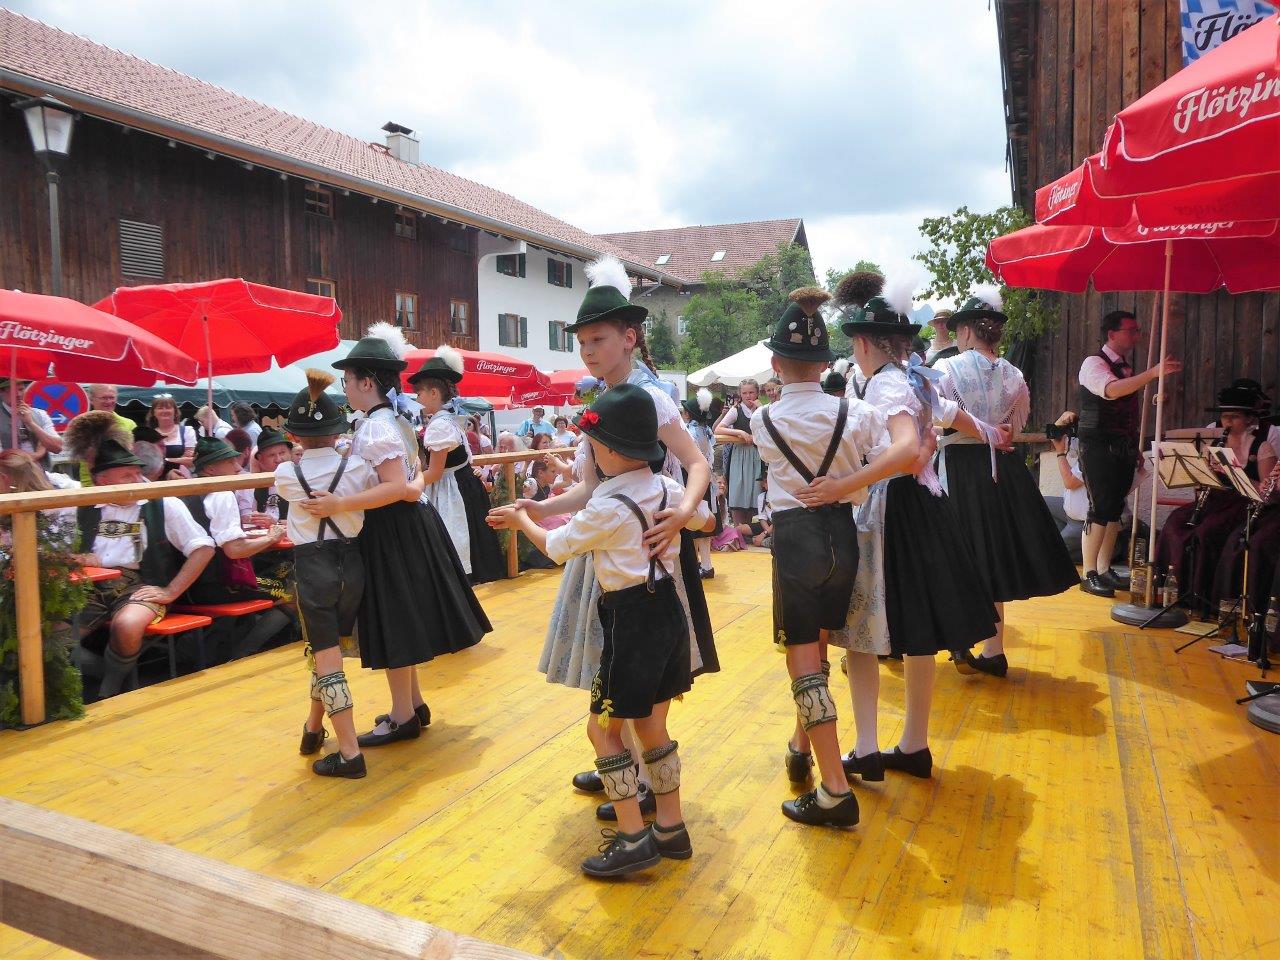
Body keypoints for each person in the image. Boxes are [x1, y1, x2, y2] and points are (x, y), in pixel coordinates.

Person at [506, 256, 716, 823]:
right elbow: (591, 488)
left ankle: (641, 781)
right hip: (610, 540)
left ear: (629, 337)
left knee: (636, 663)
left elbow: (697, 463)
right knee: (614, 660)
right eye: (582, 343)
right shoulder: (605, 398)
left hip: (649, 545)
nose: (588, 351)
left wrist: (683, 514)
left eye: (597, 340)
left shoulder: (650, 396)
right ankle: (620, 765)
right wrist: (542, 506)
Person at [490, 383, 715, 876]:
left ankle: (633, 837)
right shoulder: (668, 487)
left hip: (631, 623)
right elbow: (706, 520)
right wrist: (681, 520)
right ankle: (671, 827)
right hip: (670, 615)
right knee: (653, 726)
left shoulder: (608, 507)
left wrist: (521, 520)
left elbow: (556, 547)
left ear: (608, 450)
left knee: (603, 730)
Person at [804, 272, 1000, 783]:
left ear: (865, 343)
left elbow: (907, 447)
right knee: (917, 632)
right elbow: (948, 419)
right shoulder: (913, 378)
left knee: (862, 631)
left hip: (888, 510)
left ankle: (867, 747)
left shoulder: (887, 382)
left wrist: (843, 483)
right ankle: (913, 744)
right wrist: (992, 434)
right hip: (922, 507)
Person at [301, 323, 491, 746]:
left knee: (394, 620)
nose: (346, 389)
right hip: (405, 524)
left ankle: (403, 715)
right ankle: (413, 704)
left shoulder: (376, 426)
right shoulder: (394, 420)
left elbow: (391, 486)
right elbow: (411, 478)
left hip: (391, 528)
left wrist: (338, 504)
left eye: (349, 381)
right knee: (402, 617)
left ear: (367, 383)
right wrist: (409, 489)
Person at [748, 286, 890, 827]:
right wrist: (847, 481)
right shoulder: (858, 412)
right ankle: (800, 744)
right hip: (843, 534)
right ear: (827, 362)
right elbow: (890, 460)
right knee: (818, 648)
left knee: (804, 664)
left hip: (795, 538)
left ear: (775, 364)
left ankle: (834, 790)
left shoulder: (762, 420)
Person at [934, 289, 1080, 678]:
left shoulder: (948, 368)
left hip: (960, 467)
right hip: (1002, 468)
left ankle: (962, 637)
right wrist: (994, 431)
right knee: (992, 556)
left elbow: (938, 414)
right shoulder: (1013, 374)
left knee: (960, 554)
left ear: (966, 331)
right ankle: (994, 650)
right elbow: (1013, 427)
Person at [67, 414, 214, 698]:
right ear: (102, 481)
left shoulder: (162, 503)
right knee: (50, 638)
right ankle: (105, 673)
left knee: (128, 625)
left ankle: (109, 687)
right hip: (89, 586)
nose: (137, 481)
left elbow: (204, 548)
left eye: (137, 473)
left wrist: (171, 590)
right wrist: (77, 558)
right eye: (127, 476)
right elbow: (55, 553)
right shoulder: (79, 506)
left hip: (139, 584)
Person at [276, 370, 378, 779]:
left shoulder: (286, 475)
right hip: (353, 565)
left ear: (294, 436)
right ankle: (313, 728)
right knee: (325, 651)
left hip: (312, 568)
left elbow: (292, 492)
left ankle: (350, 753)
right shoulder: (357, 469)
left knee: (327, 658)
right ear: (338, 432)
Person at [1078, 310, 1182, 596]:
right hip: (1097, 446)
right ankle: (1088, 573)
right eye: (1131, 330)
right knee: (1100, 506)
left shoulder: (1124, 366)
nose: (1136, 335)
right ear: (1112, 333)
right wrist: (1151, 374)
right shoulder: (1093, 363)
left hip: (1122, 446)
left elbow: (1125, 411)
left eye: (1137, 330)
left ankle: (1103, 568)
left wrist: (1134, 445)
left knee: (1115, 508)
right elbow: (1111, 391)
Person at [1155, 382, 1275, 615]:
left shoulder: (1262, 447)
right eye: (1224, 416)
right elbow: (1201, 483)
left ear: (1249, 419)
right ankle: (1170, 591)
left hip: (1242, 504)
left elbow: (1266, 493)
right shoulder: (1211, 442)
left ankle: (1201, 598)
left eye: (1234, 417)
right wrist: (1204, 473)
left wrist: (1233, 472)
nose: (1226, 422)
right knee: (1174, 522)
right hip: (1214, 501)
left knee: (1205, 533)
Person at [179, 436, 292, 658]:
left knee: (285, 570)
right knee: (295, 589)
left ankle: (218, 642)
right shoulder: (222, 494)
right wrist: (272, 537)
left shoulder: (186, 492)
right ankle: (241, 653)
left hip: (191, 585)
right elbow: (234, 550)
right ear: (211, 469)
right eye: (230, 461)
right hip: (220, 586)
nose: (238, 467)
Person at [408, 346, 507, 585]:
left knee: (455, 540)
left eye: (419, 393)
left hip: (451, 490)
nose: (417, 399)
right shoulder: (447, 420)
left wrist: (407, 486)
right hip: (462, 485)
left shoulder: (440, 425)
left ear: (433, 393)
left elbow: (435, 472)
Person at [681, 388, 724, 579]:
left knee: (693, 523)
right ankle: (706, 565)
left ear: (688, 414)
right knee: (704, 522)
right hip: (706, 481)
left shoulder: (689, 432)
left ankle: (696, 566)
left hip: (691, 480)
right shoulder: (706, 431)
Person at [715, 378, 763, 526]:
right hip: (740, 455)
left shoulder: (762, 409)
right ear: (740, 394)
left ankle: (746, 529)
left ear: (757, 393)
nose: (748, 396)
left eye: (751, 392)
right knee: (738, 489)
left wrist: (761, 409)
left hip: (757, 454)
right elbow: (718, 429)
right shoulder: (736, 410)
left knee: (754, 490)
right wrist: (739, 432)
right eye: (745, 393)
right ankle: (738, 529)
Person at [79, 385, 136, 484]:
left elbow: (134, 456)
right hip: (91, 484)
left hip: (123, 483)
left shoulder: (129, 424)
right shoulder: (82, 424)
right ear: (91, 400)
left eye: (112, 397)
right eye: (104, 398)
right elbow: (82, 456)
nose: (109, 401)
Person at [0, 378, 62, 467]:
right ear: (1, 392)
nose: (18, 394)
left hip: (42, 472)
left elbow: (57, 448)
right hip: (9, 473)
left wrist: (31, 423)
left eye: (21, 389)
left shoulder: (40, 414)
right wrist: (37, 454)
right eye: (12, 391)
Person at [149, 394, 196, 479]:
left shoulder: (187, 431)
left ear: (175, 411)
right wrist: (179, 459)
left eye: (168, 407)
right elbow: (149, 464)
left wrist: (166, 460)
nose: (164, 411)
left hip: (181, 478)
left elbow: (190, 461)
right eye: (160, 408)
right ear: (153, 413)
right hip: (156, 481)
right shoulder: (148, 434)